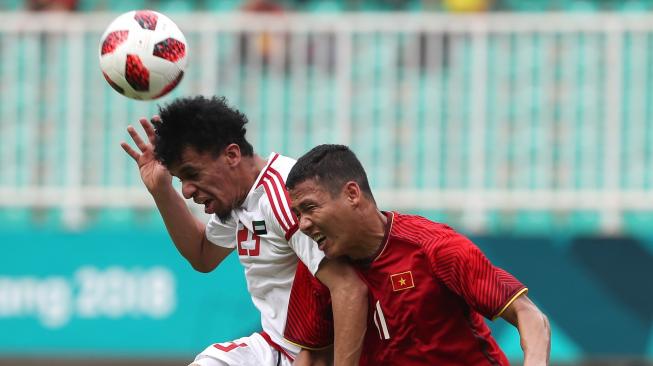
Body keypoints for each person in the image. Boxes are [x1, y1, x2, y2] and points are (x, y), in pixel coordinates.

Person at [120, 97, 367, 366]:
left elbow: (349, 289)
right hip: (274, 348)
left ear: (232, 155)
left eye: (192, 174)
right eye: (181, 180)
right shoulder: (239, 197)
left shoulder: (287, 197)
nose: (187, 190)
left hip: (317, 355)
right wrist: (161, 190)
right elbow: (203, 254)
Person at [284, 144, 551, 365]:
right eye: (298, 214)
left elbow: (529, 316)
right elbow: (313, 355)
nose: (303, 224)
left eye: (309, 208)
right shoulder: (318, 271)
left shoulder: (436, 248)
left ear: (352, 194)